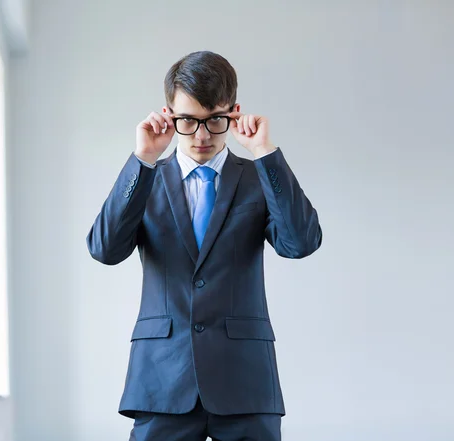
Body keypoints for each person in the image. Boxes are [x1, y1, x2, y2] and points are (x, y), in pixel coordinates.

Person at [86, 50, 323, 441]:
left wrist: (265, 153)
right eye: (187, 121)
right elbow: (105, 249)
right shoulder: (147, 177)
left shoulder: (259, 177)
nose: (201, 135)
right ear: (169, 114)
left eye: (214, 120)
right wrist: (144, 157)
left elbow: (300, 242)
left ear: (233, 113)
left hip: (245, 380)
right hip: (162, 380)